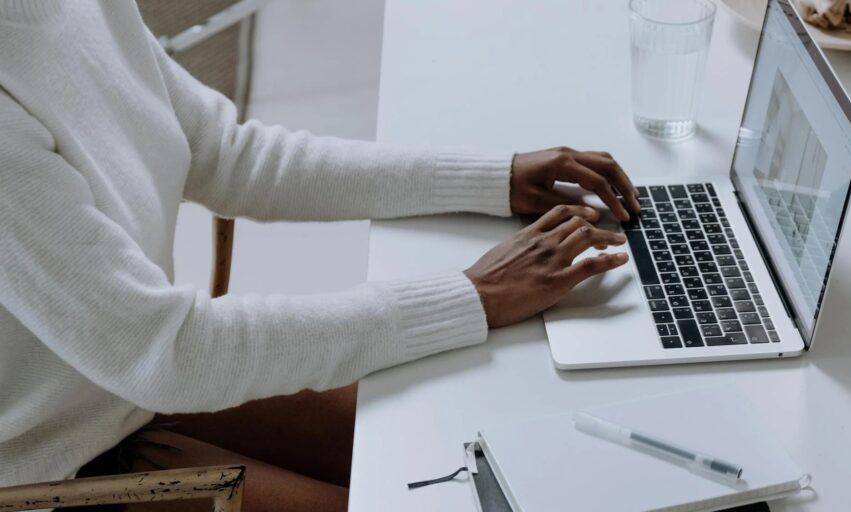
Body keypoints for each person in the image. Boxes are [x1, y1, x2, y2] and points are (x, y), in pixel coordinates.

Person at [0, 1, 638, 510]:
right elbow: (170, 352)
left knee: (464, 443)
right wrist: (472, 295)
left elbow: (228, 154)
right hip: (51, 473)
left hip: (125, 390)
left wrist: (492, 178)